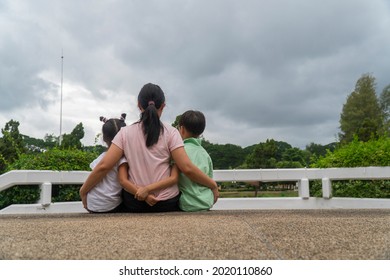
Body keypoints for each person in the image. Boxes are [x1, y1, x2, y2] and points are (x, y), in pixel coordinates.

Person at [79, 83, 219, 212]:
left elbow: (104, 166)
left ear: (139, 105)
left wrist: (83, 190)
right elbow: (187, 168)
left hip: (135, 202)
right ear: (163, 106)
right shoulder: (172, 133)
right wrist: (212, 185)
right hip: (166, 202)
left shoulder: (124, 133)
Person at [84, 114, 127, 213]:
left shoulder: (100, 158)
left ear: (104, 138)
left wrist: (83, 192)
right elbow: (123, 181)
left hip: (92, 204)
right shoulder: (122, 159)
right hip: (111, 205)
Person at [177, 110, 215, 211]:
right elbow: (209, 178)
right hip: (206, 202)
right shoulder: (206, 154)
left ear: (182, 129)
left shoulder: (179, 152)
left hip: (186, 204)